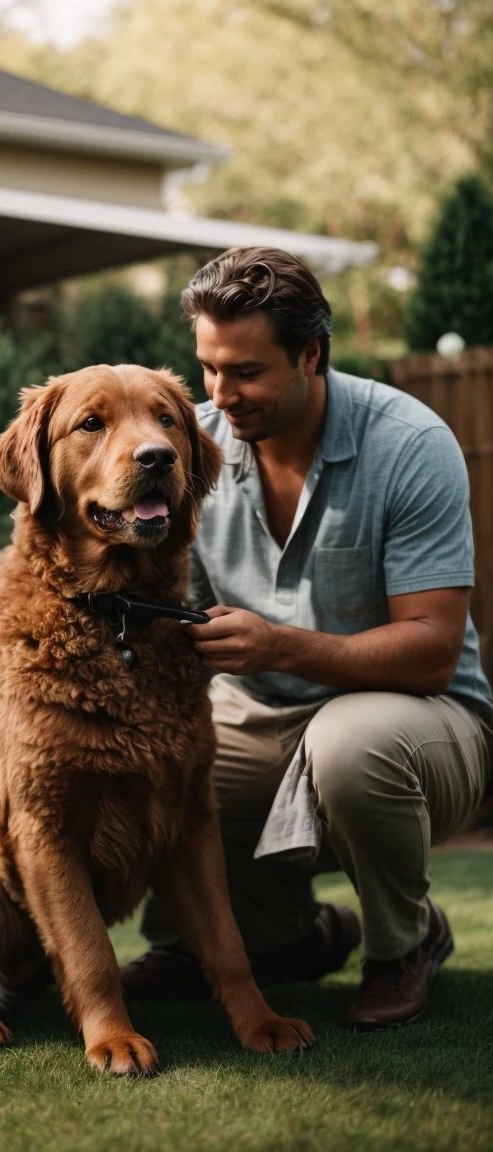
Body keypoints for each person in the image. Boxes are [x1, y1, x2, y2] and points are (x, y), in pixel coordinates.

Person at [120, 246, 493, 1030]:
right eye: (209, 369)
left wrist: (280, 646)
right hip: (257, 717)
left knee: (351, 744)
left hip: (418, 725)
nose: (221, 396)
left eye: (246, 372)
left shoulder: (409, 446)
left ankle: (404, 943)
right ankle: (267, 942)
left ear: (312, 353)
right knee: (165, 758)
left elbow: (430, 649)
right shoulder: (198, 448)